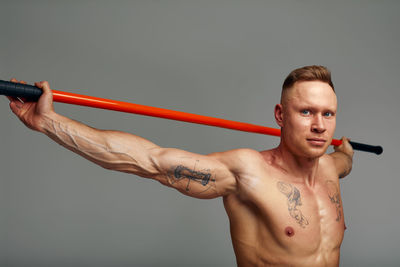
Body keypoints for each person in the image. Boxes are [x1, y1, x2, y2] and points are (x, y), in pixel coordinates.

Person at [7, 65, 353, 266]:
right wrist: (49, 121)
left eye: (328, 114)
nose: (319, 126)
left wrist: (347, 153)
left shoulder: (331, 168)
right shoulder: (248, 172)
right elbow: (149, 160)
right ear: (280, 115)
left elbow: (343, 160)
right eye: (305, 112)